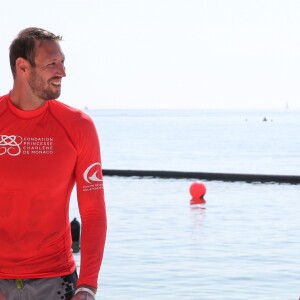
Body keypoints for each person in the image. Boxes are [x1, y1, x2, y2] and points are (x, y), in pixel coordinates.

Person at [0, 27, 107, 300]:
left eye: (62, 63)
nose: (62, 72)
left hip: (56, 281)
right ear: (22, 67)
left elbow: (93, 212)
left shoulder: (78, 126)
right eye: (52, 64)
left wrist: (88, 285)